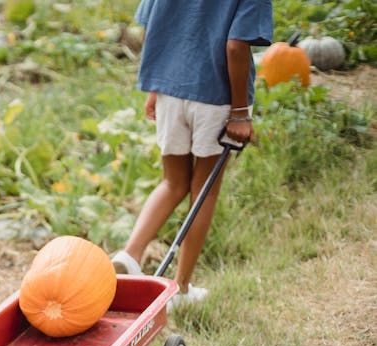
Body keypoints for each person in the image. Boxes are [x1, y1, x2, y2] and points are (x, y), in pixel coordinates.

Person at [110, 0, 273, 307]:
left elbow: (150, 31)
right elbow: (236, 46)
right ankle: (180, 288)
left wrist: (155, 88)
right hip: (216, 97)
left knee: (171, 182)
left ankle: (129, 255)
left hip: (170, 89)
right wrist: (239, 112)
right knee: (204, 191)